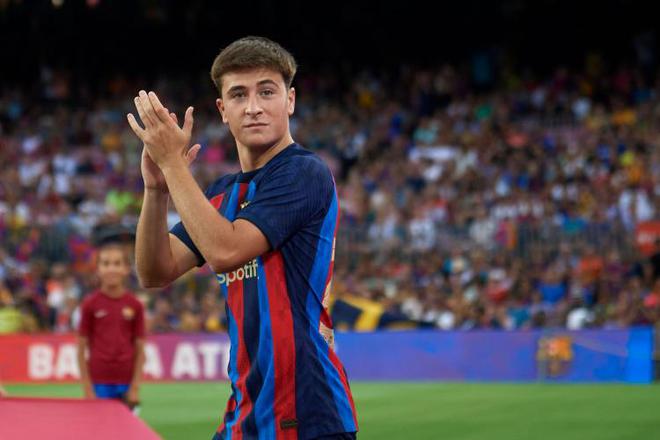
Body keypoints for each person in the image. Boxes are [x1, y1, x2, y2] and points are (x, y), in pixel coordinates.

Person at [127, 36, 358, 439]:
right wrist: (157, 189)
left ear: (289, 100)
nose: (253, 107)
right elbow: (154, 271)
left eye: (267, 92)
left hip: (307, 413)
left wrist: (173, 164)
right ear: (223, 110)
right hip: (245, 413)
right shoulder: (222, 194)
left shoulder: (304, 172)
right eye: (238, 95)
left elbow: (225, 250)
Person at [77, 242, 145, 413]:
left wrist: (135, 387)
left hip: (126, 382)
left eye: (117, 263)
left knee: (127, 429)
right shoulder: (90, 304)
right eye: (106, 263)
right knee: (98, 427)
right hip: (99, 381)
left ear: (126, 269)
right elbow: (81, 349)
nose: (111, 269)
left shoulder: (135, 305)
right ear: (98, 269)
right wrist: (87, 388)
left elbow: (140, 349)